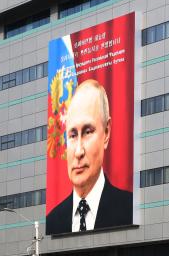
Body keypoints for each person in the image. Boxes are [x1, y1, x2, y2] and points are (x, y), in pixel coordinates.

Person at [45, 79, 133, 234]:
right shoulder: (52, 222)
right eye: (73, 135)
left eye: (87, 132)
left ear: (106, 132)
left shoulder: (129, 209)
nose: (78, 152)